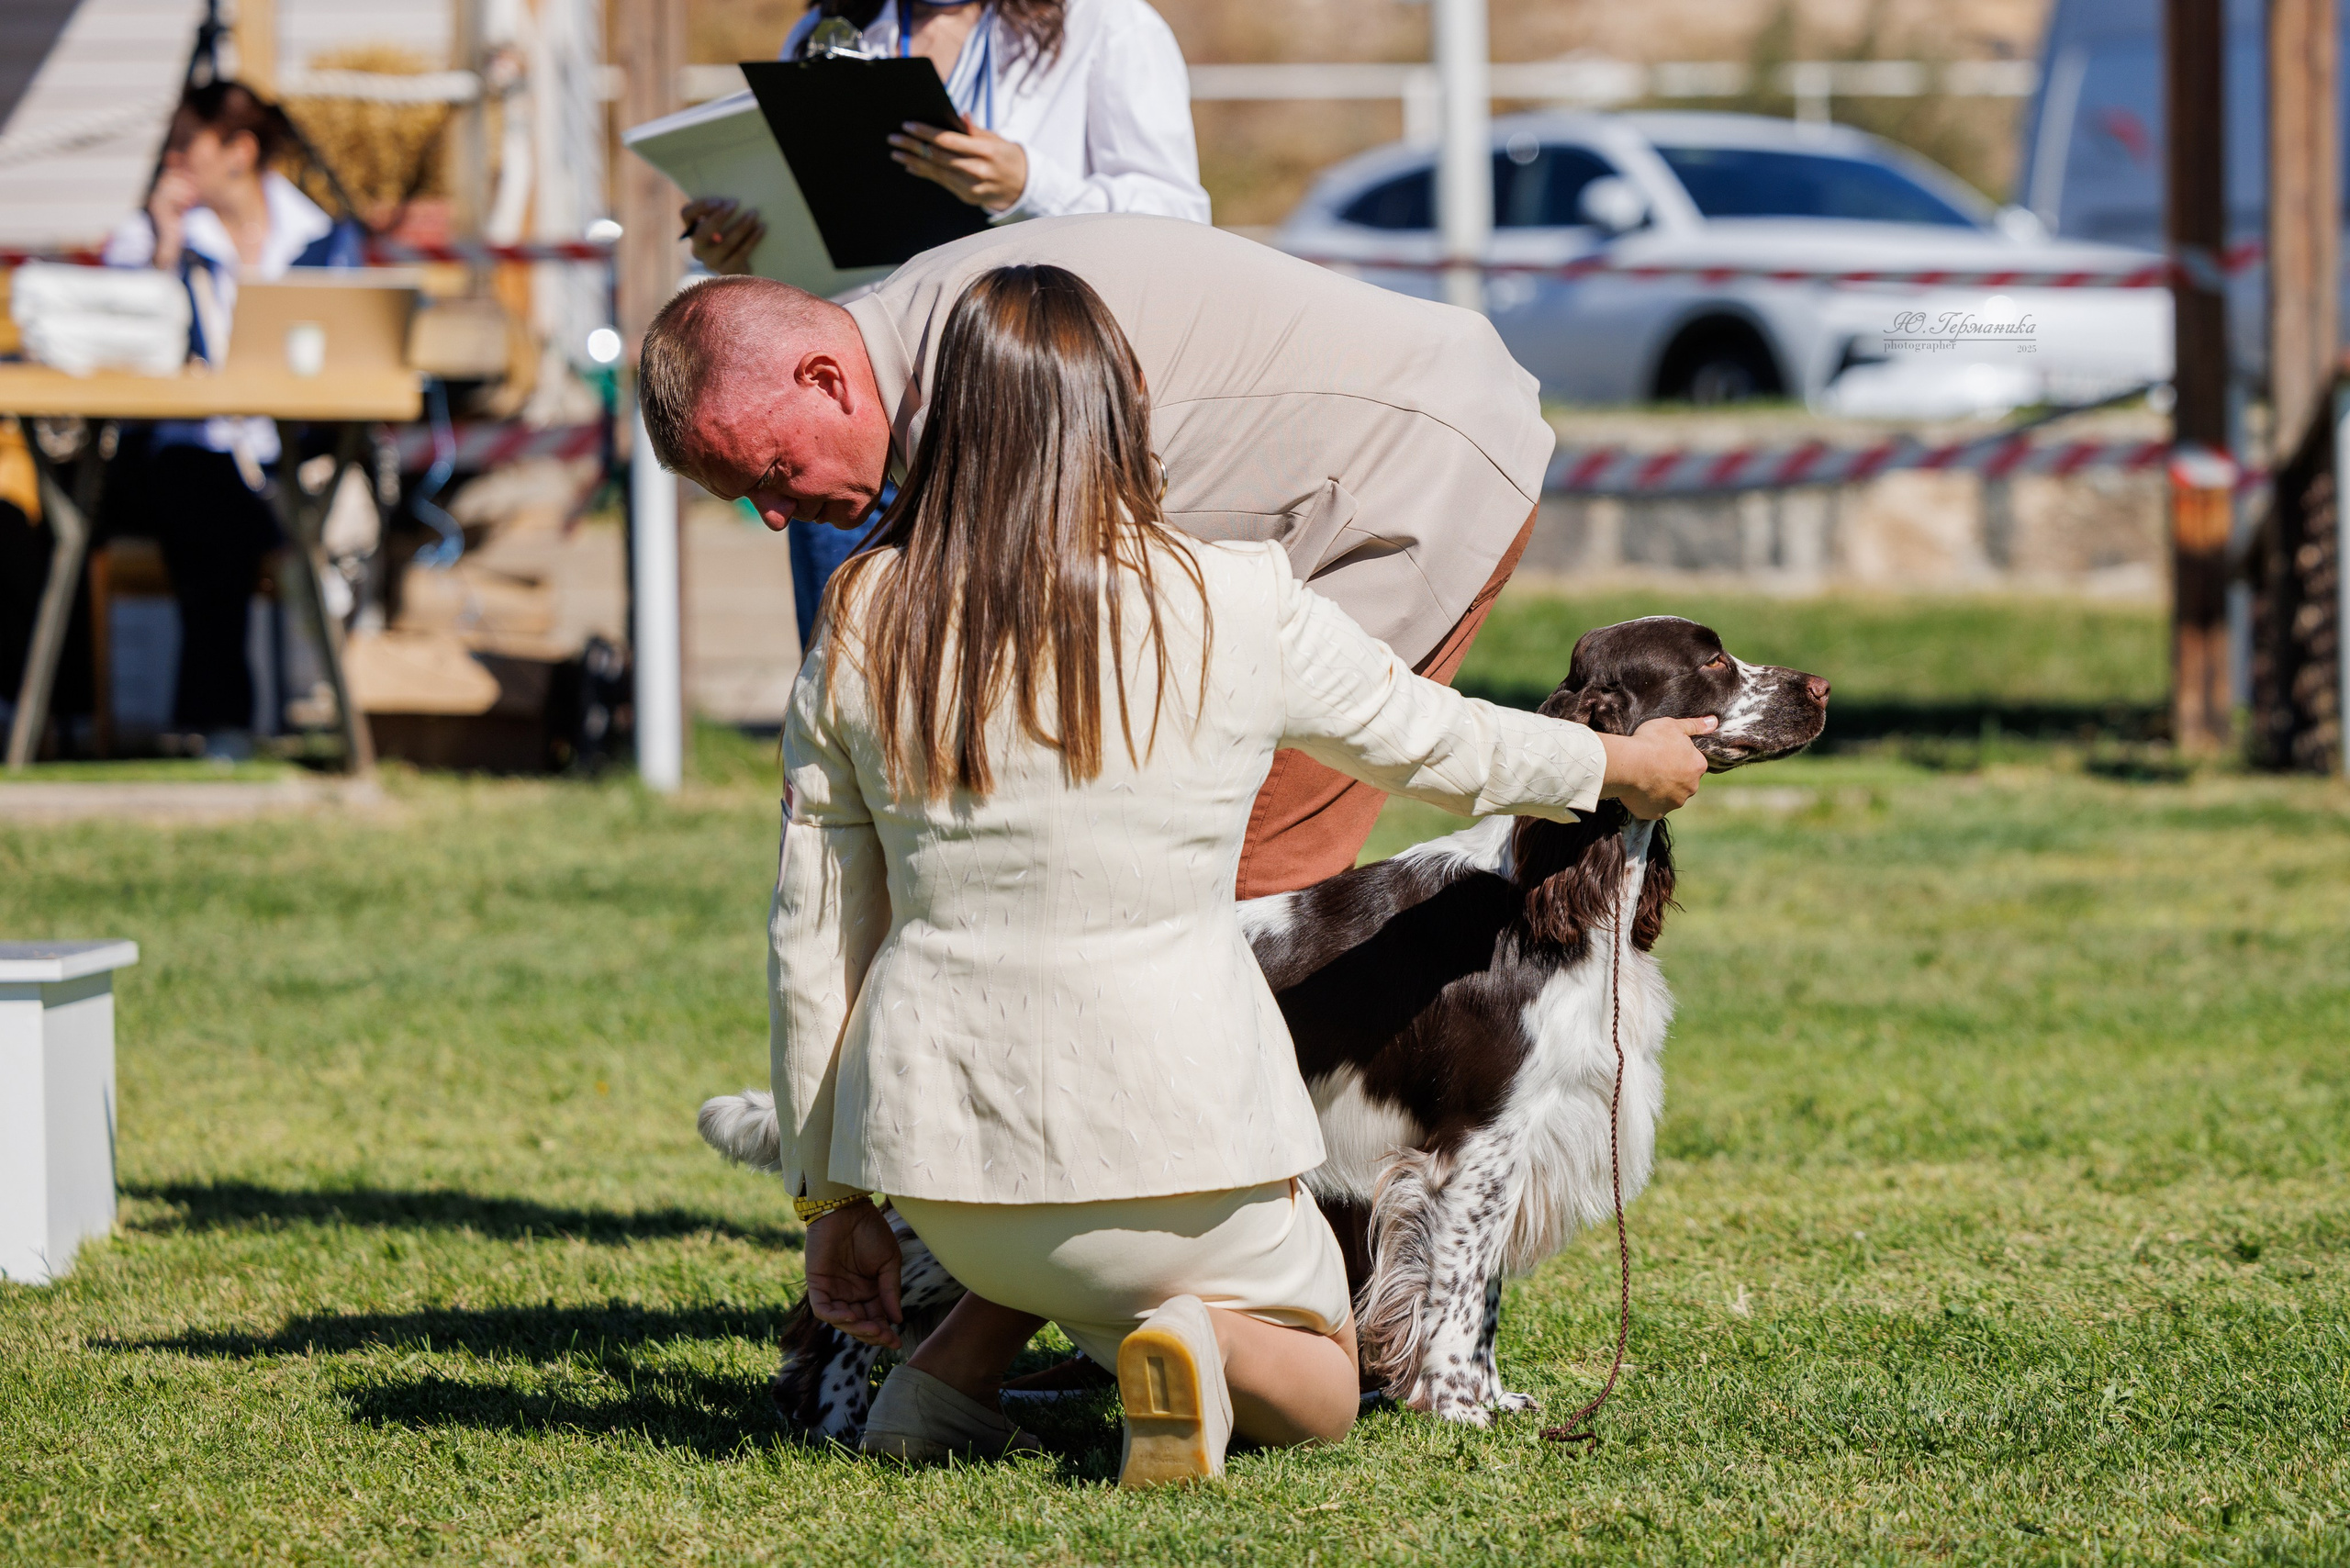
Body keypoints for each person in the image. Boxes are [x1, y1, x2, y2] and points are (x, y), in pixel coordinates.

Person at [733, 263, 1711, 1482]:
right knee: (1317, 1381)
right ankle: (1189, 1338)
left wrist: (834, 1205)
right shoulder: (1234, 595)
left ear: (950, 423)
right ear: (1130, 404)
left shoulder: (865, 612)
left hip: (950, 1178)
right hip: (1176, 1153)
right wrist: (1623, 760)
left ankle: (948, 1387)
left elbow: (815, 933)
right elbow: (1448, 745)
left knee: (1051, 1237)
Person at [640, 214, 1559, 902]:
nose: (772, 514)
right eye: (746, 499)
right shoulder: (917, 340)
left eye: (770, 470)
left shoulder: (978, 380)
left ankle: (1272, 1156)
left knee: (1250, 876)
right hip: (1345, 464)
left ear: (824, 380)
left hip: (1419, 461)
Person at [678, 0, 1209, 651]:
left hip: (1023, 413)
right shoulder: (826, 33)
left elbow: (1181, 225)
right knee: (852, 675)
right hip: (849, 421)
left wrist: (1027, 184)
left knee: (1021, 666)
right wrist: (743, 250)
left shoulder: (1110, 26)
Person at [101, 81, 363, 757]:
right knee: (212, 499)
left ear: (240, 150)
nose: (175, 157)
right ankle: (222, 726)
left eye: (190, 142)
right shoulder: (154, 235)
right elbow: (114, 346)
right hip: (184, 449)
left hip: (290, 450)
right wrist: (164, 247)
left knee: (326, 502)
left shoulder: (322, 241)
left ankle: (349, 707)